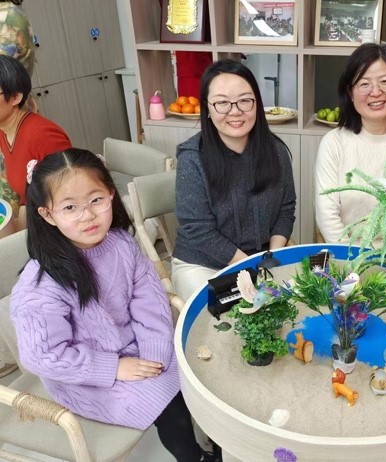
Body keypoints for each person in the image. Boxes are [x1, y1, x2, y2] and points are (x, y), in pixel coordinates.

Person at [11, 149, 222, 462]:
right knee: (167, 400)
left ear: (111, 194)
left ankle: (221, 446)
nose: (87, 215)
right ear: (47, 214)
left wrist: (154, 351)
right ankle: (194, 458)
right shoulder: (41, 284)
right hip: (86, 376)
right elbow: (43, 356)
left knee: (204, 376)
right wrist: (112, 368)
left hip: (137, 348)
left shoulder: (121, 243)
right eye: (69, 207)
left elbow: (149, 301)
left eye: (96, 199)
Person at [173, 59, 296, 301]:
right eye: (222, 103)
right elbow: (198, 230)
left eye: (244, 100)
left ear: (257, 104)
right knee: (242, 312)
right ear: (207, 108)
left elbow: (285, 209)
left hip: (261, 259)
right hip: (203, 264)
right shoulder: (193, 158)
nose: (235, 111)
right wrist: (250, 269)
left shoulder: (276, 151)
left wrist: (270, 257)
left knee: (295, 301)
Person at [315, 43, 386, 243]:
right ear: (350, 92)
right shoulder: (333, 143)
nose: (375, 92)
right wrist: (351, 258)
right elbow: (327, 216)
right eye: (364, 84)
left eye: (385, 81)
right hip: (345, 254)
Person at [0, 55, 71, 229]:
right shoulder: (4, 132)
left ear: (15, 97)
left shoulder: (42, 135)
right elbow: (29, 192)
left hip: (61, 225)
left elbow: (70, 194)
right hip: (37, 217)